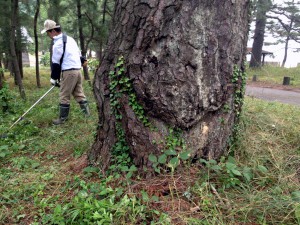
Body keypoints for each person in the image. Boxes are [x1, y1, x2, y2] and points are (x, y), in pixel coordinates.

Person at [41, 19, 90, 125]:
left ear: (53, 31)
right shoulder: (70, 39)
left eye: (48, 32)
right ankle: (87, 116)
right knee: (79, 93)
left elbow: (56, 63)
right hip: (77, 71)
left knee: (64, 95)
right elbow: (78, 55)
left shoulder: (58, 44)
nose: (48, 35)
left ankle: (62, 120)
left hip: (68, 72)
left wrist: (53, 78)